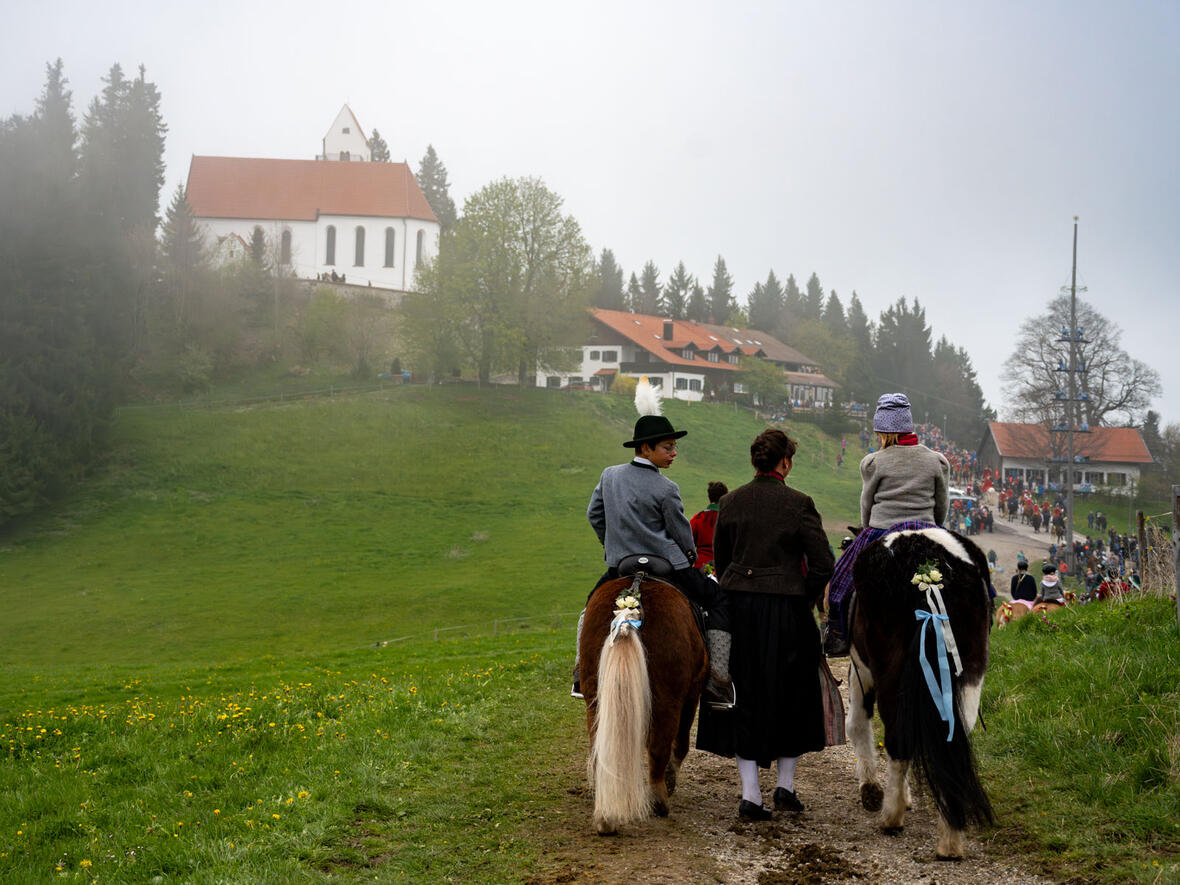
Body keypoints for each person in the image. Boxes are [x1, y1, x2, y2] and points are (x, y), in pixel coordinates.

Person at [696, 428, 835, 821]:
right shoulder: (800, 503)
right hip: (788, 612)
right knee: (794, 696)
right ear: (785, 463)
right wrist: (801, 596)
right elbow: (824, 563)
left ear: (754, 461)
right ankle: (785, 788)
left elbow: (722, 561)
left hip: (739, 611)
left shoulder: (730, 502)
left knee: (743, 696)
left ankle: (751, 796)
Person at [578, 413, 734, 708]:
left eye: (674, 447)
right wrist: (690, 557)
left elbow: (594, 515)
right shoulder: (667, 488)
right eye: (667, 447)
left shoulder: (609, 476)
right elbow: (681, 533)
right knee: (718, 601)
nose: (674, 453)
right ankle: (718, 678)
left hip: (621, 564)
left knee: (590, 609)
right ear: (645, 448)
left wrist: (612, 545)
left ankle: (580, 670)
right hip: (667, 566)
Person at [826, 393, 950, 645]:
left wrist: (866, 530)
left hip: (882, 531)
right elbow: (942, 505)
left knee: (840, 582)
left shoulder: (874, 462)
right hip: (925, 531)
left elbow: (866, 505)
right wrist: (935, 527)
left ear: (883, 431)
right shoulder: (936, 461)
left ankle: (837, 635)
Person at [690, 481, 728, 571]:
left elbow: (688, 542)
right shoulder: (730, 518)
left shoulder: (698, 518)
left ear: (709, 497)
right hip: (724, 567)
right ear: (726, 497)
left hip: (701, 567)